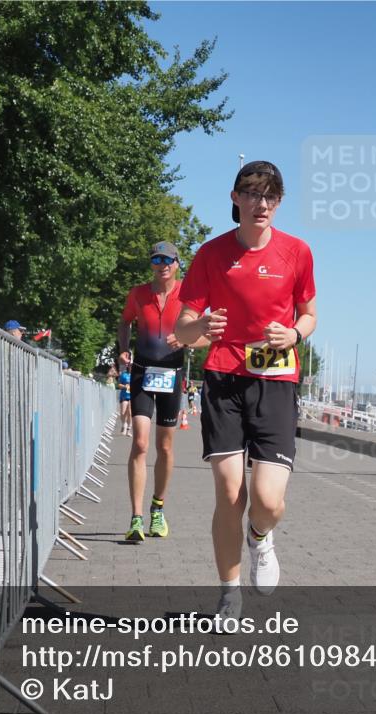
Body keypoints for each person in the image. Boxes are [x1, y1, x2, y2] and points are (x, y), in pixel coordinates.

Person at [176, 160, 316, 621]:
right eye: (253, 194)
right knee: (229, 491)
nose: (262, 204)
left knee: (268, 500)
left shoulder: (297, 252)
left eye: (271, 196)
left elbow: (310, 315)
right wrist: (201, 325)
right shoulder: (211, 254)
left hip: (275, 379)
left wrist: (294, 335)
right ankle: (229, 593)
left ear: (279, 203)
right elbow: (185, 328)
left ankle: (261, 537)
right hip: (224, 378)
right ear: (236, 198)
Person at [118, 241, 205, 542]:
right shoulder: (138, 294)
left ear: (177, 263)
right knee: (140, 444)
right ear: (151, 264)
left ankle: (158, 508)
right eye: (157, 259)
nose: (162, 264)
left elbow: (204, 330)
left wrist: (186, 340)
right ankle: (135, 518)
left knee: (165, 448)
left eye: (168, 260)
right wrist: (123, 350)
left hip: (172, 374)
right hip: (142, 372)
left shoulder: (188, 294)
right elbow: (125, 322)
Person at [117, 366, 132, 436]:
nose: (131, 368)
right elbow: (119, 385)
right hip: (124, 396)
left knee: (130, 412)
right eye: (130, 366)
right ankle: (124, 424)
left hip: (132, 396)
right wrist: (124, 386)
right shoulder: (124, 375)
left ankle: (128, 429)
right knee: (123, 412)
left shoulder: (135, 375)